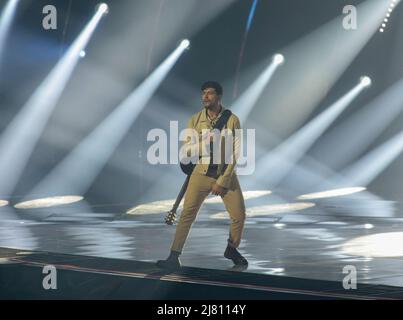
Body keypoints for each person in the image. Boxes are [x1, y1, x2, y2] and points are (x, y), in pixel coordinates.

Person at [156, 81, 247, 270]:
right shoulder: (195, 120)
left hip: (225, 174)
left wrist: (223, 181)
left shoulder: (232, 120)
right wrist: (204, 144)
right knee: (187, 214)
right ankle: (174, 256)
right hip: (200, 174)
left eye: (210, 93)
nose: (205, 97)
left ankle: (231, 249)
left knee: (239, 215)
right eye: (203, 93)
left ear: (219, 97)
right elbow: (186, 150)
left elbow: (236, 153)